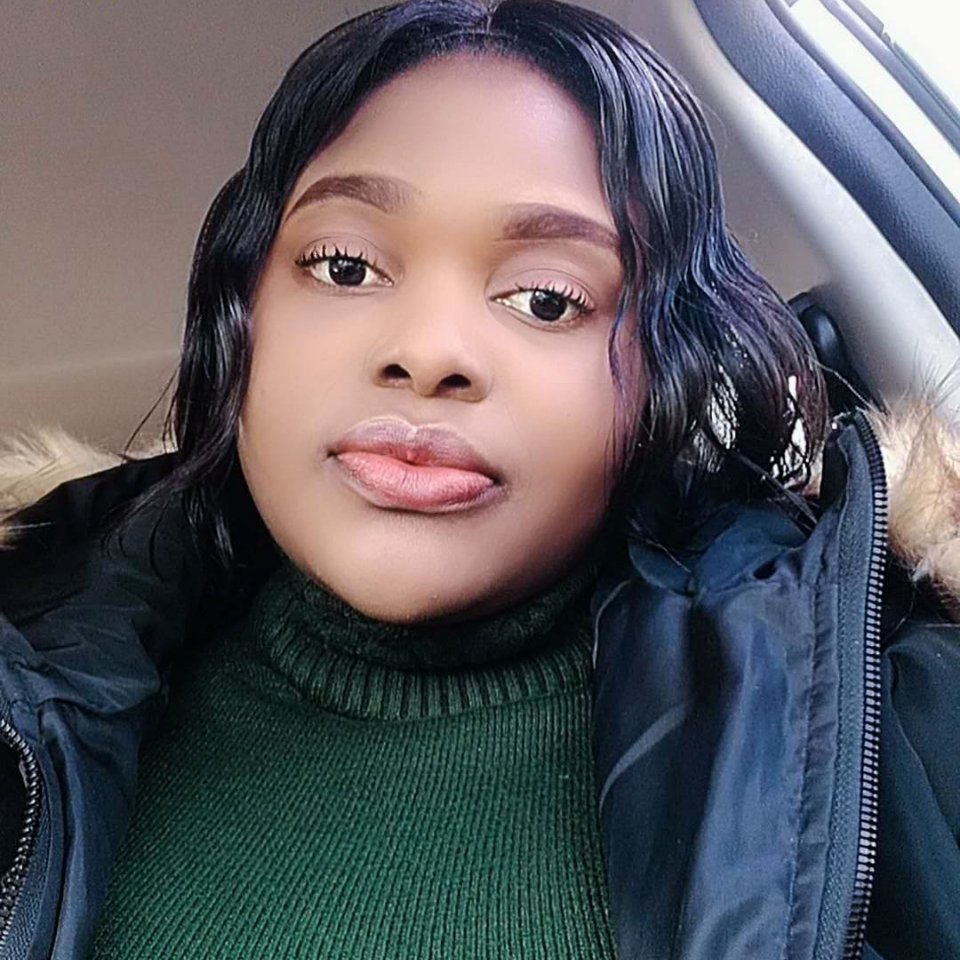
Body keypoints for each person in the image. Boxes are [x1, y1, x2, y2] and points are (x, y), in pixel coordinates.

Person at [1, 0, 958, 957]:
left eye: (546, 300)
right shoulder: (27, 669)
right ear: (242, 310)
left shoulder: (893, 722)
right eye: (344, 267)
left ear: (665, 372)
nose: (428, 353)